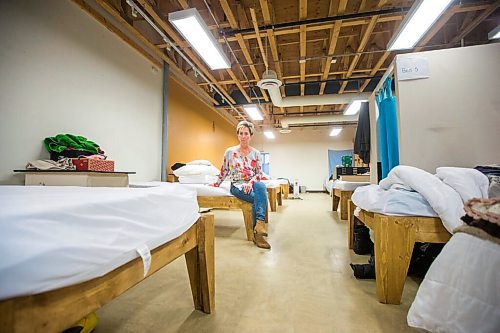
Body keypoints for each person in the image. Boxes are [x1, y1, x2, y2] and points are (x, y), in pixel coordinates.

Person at [212, 121, 270, 249]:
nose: (243, 136)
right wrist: (216, 183)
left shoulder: (256, 153)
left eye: (246, 134)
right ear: (238, 135)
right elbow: (224, 170)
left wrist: (250, 183)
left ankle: (259, 226)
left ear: (251, 136)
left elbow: (259, 173)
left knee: (261, 186)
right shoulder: (230, 152)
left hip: (252, 182)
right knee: (258, 198)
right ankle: (258, 234)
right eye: (241, 133)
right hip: (237, 185)